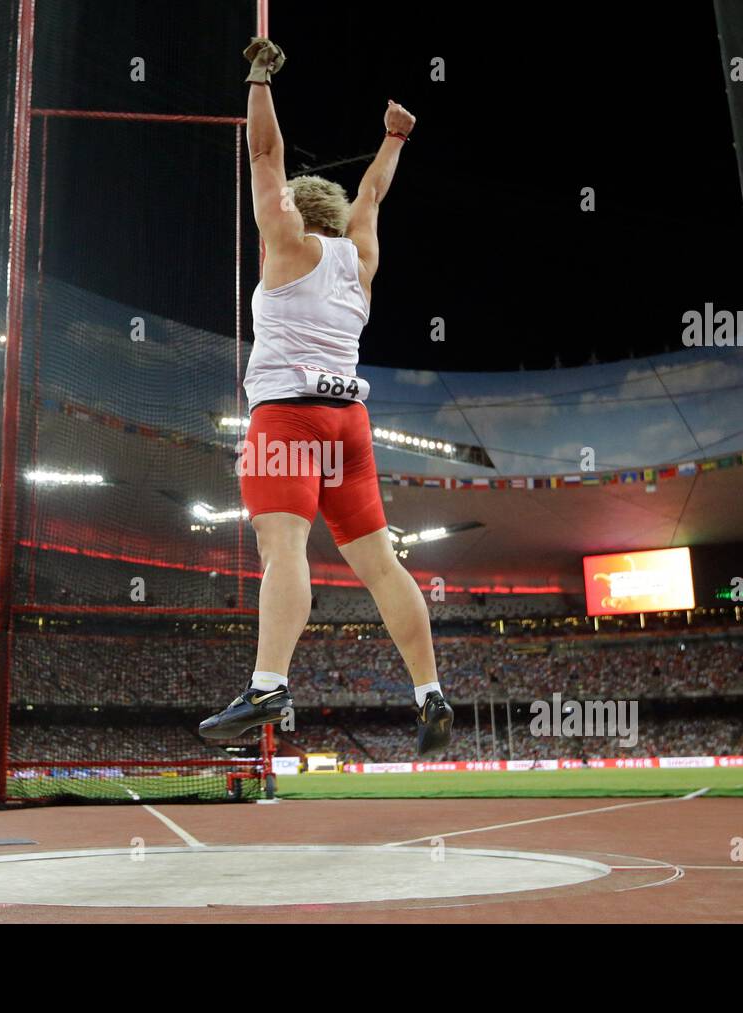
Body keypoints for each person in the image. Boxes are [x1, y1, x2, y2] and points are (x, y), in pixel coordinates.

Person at [200, 38, 453, 755]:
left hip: (287, 414)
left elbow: (264, 158)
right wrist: (394, 135)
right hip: (351, 423)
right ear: (335, 220)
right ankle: (429, 691)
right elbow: (372, 190)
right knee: (381, 563)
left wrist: (258, 80)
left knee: (284, 548)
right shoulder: (359, 257)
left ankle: (269, 681)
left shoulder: (285, 244)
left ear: (292, 213)